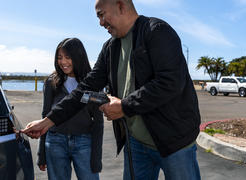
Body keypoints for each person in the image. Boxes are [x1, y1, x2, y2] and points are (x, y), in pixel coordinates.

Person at [22, 0, 201, 179]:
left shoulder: (157, 31)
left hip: (174, 142)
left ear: (121, 6)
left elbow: (169, 82)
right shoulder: (110, 47)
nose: (100, 22)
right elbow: (84, 89)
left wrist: (124, 106)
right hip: (136, 143)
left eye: (101, 14)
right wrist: (47, 122)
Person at [37, 38, 103, 180]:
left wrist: (96, 158)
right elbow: (45, 116)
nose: (63, 62)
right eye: (59, 58)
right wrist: (41, 154)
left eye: (68, 57)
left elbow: (98, 122)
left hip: (84, 142)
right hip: (55, 142)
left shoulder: (92, 83)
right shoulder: (51, 82)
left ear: (78, 57)